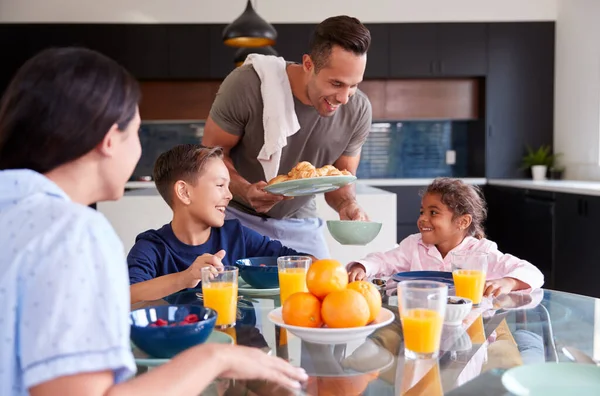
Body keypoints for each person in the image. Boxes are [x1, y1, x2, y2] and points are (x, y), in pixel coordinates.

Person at [0, 47, 307, 396]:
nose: (138, 150)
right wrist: (215, 359)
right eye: (136, 132)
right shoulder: (72, 232)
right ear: (109, 139)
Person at [202, 15, 373, 259]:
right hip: (236, 216)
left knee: (322, 291)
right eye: (336, 83)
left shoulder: (358, 110)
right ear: (308, 64)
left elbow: (340, 179)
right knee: (233, 293)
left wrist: (348, 205)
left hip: (300, 219)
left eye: (354, 85)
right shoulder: (247, 85)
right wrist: (246, 189)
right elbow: (210, 156)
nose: (345, 98)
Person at [127, 144, 313, 304]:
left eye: (228, 186)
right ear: (184, 192)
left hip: (239, 341)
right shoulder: (151, 247)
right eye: (219, 185)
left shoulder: (237, 236)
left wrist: (335, 272)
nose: (229, 195)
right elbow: (127, 296)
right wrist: (186, 278)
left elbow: (296, 261)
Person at [347, 178, 544, 296]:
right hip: (421, 322)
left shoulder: (482, 252)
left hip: (471, 329)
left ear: (462, 222)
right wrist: (362, 267)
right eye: (422, 211)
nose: (422, 219)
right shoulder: (413, 247)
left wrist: (507, 282)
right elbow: (383, 260)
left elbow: (532, 272)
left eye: (433, 213)